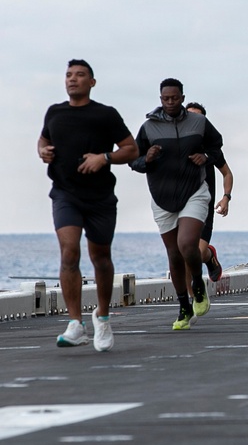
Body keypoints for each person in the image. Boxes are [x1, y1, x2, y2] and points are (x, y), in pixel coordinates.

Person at [39, 59, 138, 351]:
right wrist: (42, 151)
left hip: (100, 198)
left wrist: (104, 158)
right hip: (65, 193)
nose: (72, 79)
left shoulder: (105, 115)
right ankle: (75, 324)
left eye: (80, 75)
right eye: (69, 75)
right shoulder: (54, 112)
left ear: (91, 82)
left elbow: (132, 149)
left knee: (101, 258)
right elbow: (42, 139)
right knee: (69, 251)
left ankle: (103, 318)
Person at [131, 78, 223, 330]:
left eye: (174, 98)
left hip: (194, 191)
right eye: (165, 99)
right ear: (160, 99)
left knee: (186, 244)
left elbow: (217, 147)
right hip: (162, 197)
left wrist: (205, 156)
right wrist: (146, 159)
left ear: (182, 97)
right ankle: (183, 306)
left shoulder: (199, 123)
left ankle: (197, 283)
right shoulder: (149, 127)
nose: (170, 102)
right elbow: (134, 160)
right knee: (173, 253)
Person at [184, 102, 233, 285]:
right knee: (185, 253)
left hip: (204, 207)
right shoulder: (176, 145)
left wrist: (226, 197)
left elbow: (227, 173)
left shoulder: (210, 149)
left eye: (197, 118)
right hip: (180, 207)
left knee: (193, 254)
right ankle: (209, 257)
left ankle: (208, 256)